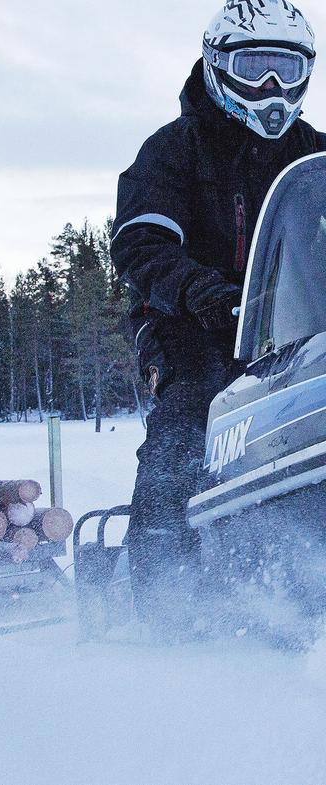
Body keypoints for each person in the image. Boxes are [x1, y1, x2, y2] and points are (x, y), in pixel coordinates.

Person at [110, 0, 326, 633]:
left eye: (286, 70)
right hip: (189, 324)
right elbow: (141, 242)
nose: (271, 89)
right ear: (217, 65)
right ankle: (160, 601)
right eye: (255, 67)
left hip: (295, 326)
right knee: (185, 428)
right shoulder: (174, 151)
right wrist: (199, 289)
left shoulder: (312, 152)